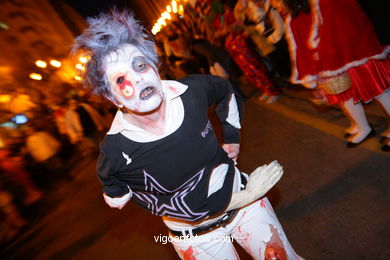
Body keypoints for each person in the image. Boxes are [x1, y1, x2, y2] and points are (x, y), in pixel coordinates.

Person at [73, 10, 302, 259]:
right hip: (197, 236)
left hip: (247, 207)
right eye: (120, 79)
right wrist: (251, 193)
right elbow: (184, 207)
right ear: (110, 97)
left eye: (141, 65)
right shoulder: (117, 150)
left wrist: (232, 136)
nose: (137, 79)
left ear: (155, 66)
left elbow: (226, 90)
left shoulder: (191, 92)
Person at [271, 0, 390, 149]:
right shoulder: (307, 9)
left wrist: (320, 68)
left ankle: (363, 127)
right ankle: (362, 126)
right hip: (345, 54)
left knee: (377, 89)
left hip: (354, 52)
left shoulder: (318, 7)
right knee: (345, 93)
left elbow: (326, 34)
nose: (274, 3)